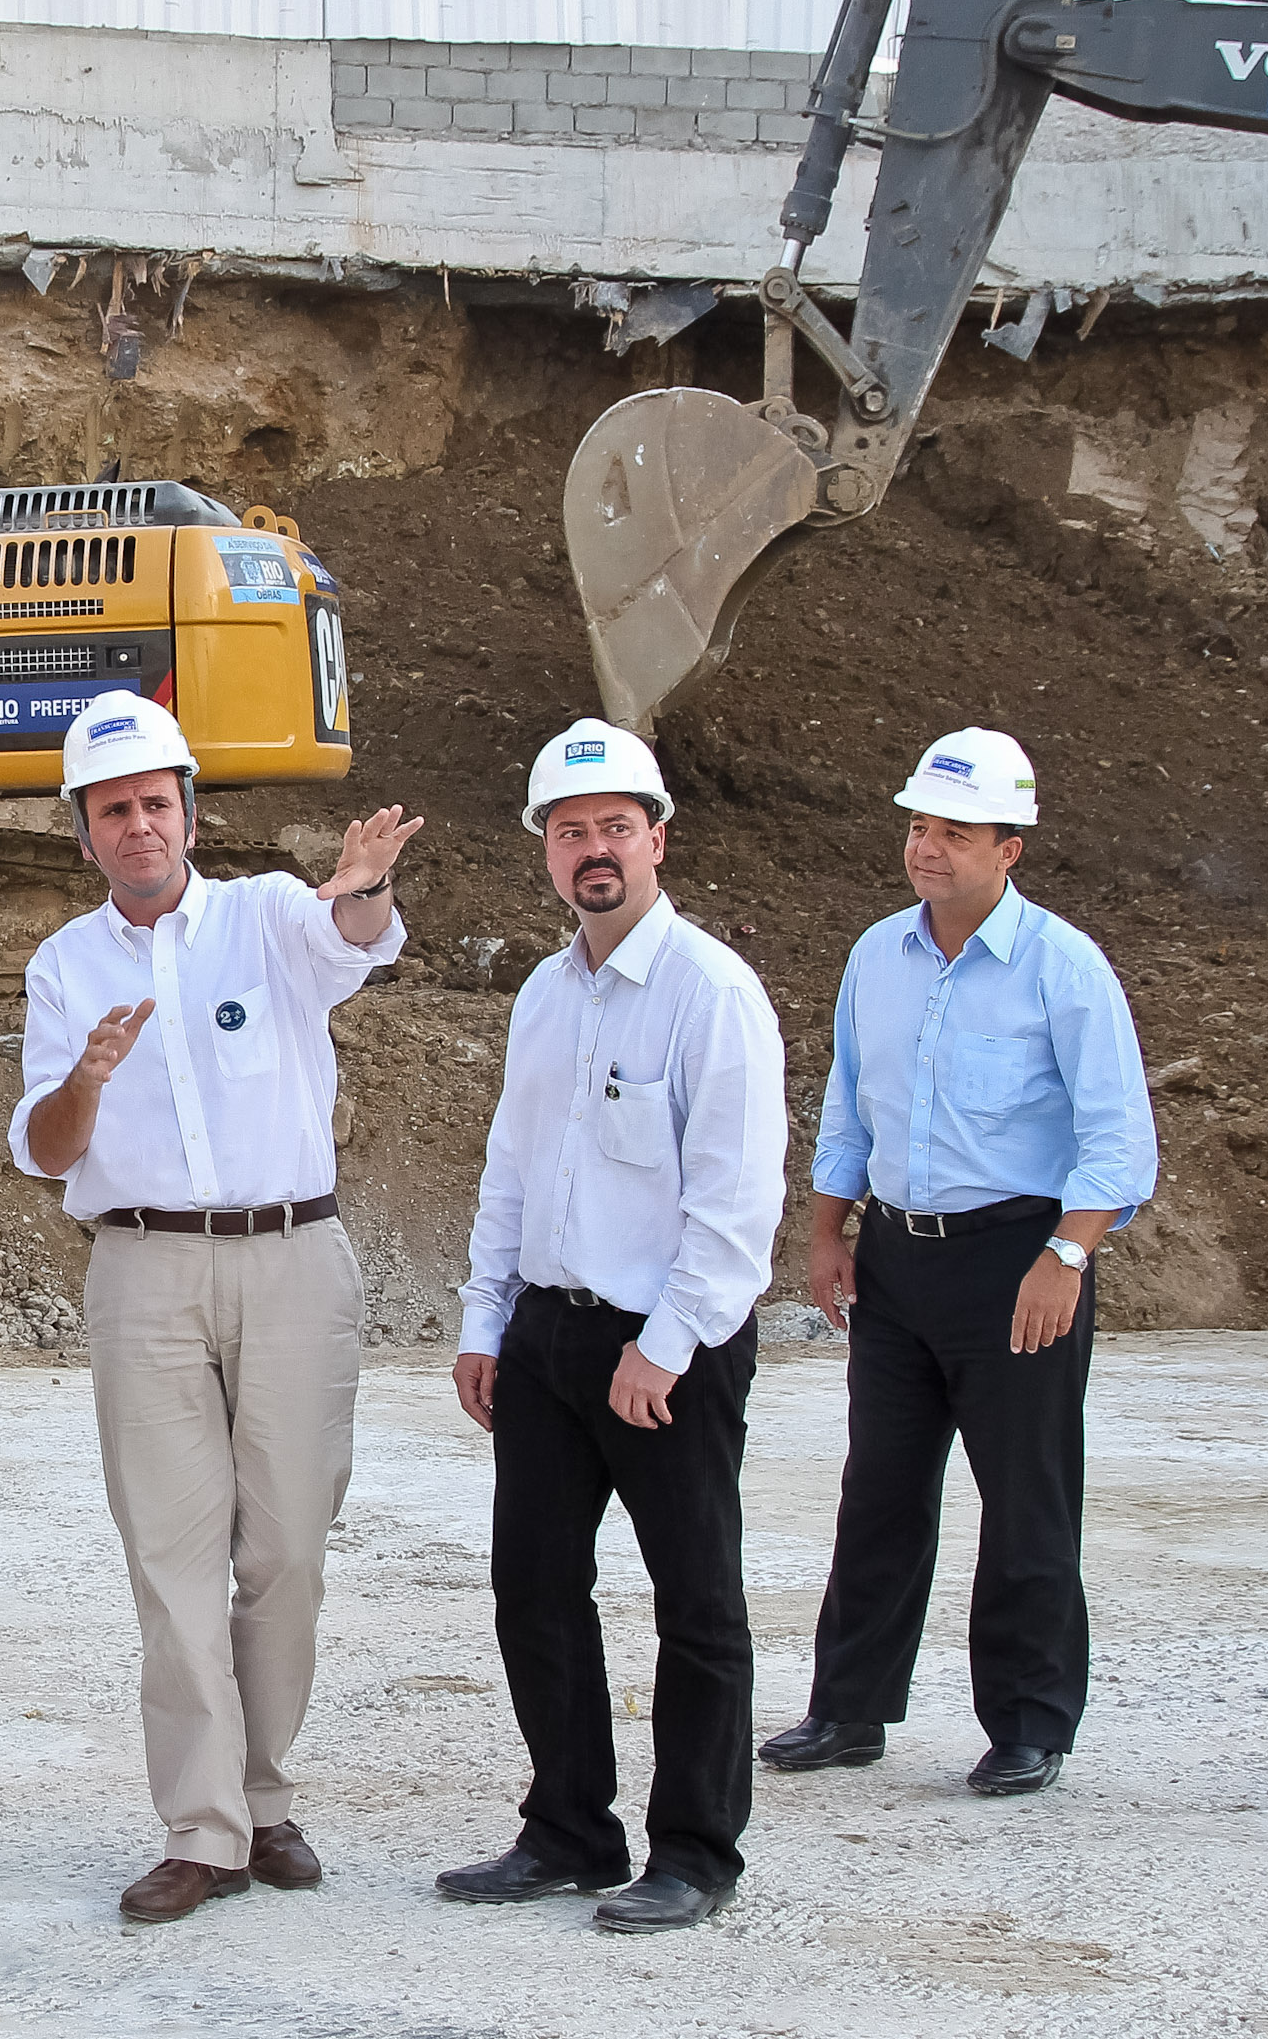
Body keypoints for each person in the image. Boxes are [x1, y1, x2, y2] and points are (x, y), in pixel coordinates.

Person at [8, 690, 421, 1926]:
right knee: (172, 1557)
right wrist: (82, 1082)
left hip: (291, 1254)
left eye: (154, 803)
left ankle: (264, 1792)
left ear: (189, 813)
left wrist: (358, 887)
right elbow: (41, 1149)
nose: (137, 825)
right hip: (141, 1270)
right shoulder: (62, 966)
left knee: (286, 1549)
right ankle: (203, 1825)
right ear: (82, 832)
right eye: (111, 810)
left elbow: (354, 941)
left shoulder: (267, 917)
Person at [762, 729, 1156, 1798]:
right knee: (879, 1488)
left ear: (1007, 849)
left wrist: (1064, 1256)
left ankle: (1028, 1723)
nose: (925, 849)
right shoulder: (875, 957)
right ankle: (847, 1707)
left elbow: (1116, 1140)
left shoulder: (1061, 967)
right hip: (897, 1260)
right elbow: (849, 1104)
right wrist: (826, 1231)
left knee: (1025, 1497)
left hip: (1015, 1262)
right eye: (917, 827)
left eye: (952, 832)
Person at [439, 717, 784, 1935]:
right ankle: (568, 1829)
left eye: (614, 829)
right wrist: (486, 1321)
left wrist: (668, 1345)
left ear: (657, 839)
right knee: (532, 1590)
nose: (593, 850)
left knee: (694, 1606)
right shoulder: (545, 993)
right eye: (569, 829)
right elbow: (510, 1170)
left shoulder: (710, 994)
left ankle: (694, 1851)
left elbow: (735, 1204)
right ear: (544, 848)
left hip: (664, 1349)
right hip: (545, 1338)